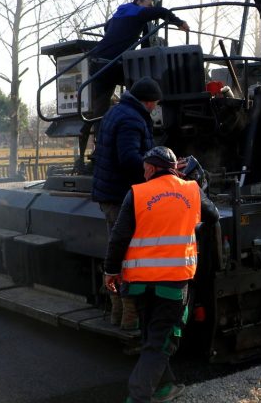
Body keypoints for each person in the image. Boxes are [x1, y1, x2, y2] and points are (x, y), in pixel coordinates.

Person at [103, 146, 219, 403]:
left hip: (139, 284)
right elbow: (214, 215)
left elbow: (119, 237)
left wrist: (110, 271)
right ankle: (139, 396)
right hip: (173, 284)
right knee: (162, 341)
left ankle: (164, 388)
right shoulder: (191, 189)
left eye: (145, 169)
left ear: (153, 168)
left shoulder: (136, 193)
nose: (143, 174)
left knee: (152, 336)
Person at [93, 76, 163, 329]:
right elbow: (128, 158)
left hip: (109, 193)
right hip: (120, 196)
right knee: (127, 255)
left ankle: (118, 313)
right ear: (147, 102)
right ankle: (129, 316)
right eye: (154, 104)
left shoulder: (117, 111)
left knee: (116, 251)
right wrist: (159, 167)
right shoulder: (132, 120)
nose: (155, 108)